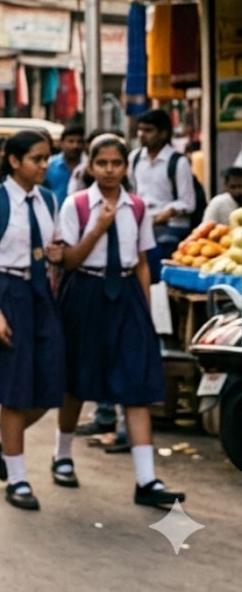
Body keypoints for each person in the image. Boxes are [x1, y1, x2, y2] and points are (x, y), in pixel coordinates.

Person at [51, 134, 186, 509]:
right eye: (102, 163)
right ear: (91, 167)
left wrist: (144, 310)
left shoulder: (138, 207)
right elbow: (69, 262)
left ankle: (146, 479)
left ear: (126, 167)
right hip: (86, 292)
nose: (110, 171)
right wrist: (97, 228)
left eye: (117, 164)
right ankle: (61, 455)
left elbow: (142, 262)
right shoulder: (76, 206)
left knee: (136, 382)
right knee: (77, 379)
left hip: (125, 295)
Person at [0, 130, 66, 511]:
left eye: (46, 159)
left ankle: (3, 439)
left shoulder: (48, 200)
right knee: (14, 389)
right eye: (37, 159)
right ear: (14, 161)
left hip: (40, 295)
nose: (44, 166)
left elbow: (51, 247)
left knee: (52, 382)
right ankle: (19, 479)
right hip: (6, 292)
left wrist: (57, 253)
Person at [131, 109, 195, 280]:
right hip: (142, 225)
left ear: (163, 133)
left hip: (170, 229)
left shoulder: (178, 162)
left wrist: (163, 214)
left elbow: (188, 202)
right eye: (140, 129)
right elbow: (132, 191)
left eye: (148, 130)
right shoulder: (135, 158)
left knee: (161, 273)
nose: (142, 134)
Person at [44, 124, 85, 203]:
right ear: (61, 143)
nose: (75, 146)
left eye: (79, 142)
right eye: (71, 141)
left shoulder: (88, 167)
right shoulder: (49, 164)